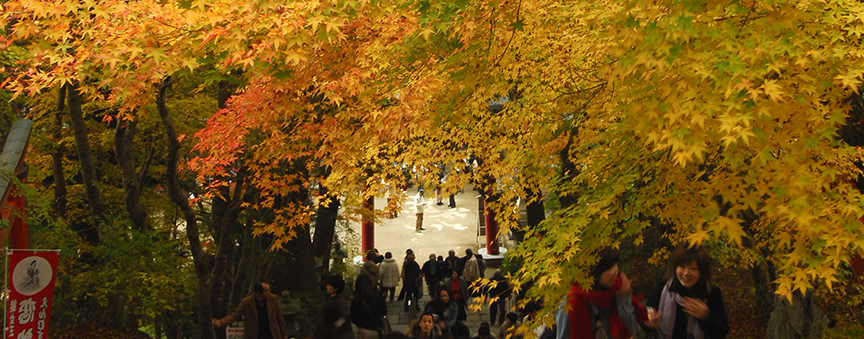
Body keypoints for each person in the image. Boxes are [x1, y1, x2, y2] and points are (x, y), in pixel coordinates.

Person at [645, 245, 729, 339]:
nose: (686, 273)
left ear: (702, 271)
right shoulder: (664, 288)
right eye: (682, 266)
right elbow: (645, 318)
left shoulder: (712, 293)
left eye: (693, 268)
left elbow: (722, 332)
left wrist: (706, 316)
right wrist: (649, 322)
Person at [567, 247, 647, 339]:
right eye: (610, 268)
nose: (616, 271)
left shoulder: (616, 289)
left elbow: (631, 329)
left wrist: (624, 298)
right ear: (595, 273)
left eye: (616, 265)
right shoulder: (573, 302)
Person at [213, 282, 289, 339]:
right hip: (255, 335)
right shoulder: (246, 302)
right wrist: (222, 322)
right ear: (258, 293)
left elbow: (279, 317)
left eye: (269, 290)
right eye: (266, 291)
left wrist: (284, 333)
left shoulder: (273, 299)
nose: (268, 292)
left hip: (272, 334)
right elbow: (235, 315)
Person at [351, 275, 388, 339]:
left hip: (363, 330)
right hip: (377, 328)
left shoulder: (356, 299)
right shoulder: (377, 296)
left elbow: (353, 317)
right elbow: (384, 311)